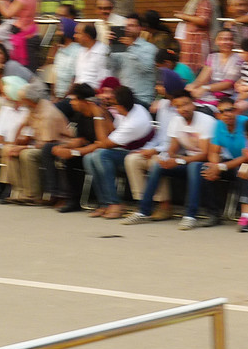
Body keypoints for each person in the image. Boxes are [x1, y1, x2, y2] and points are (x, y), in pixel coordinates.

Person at [123, 90, 216, 230]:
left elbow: (204, 154)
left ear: (193, 104)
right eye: (178, 106)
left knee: (194, 166)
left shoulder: (206, 121)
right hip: (186, 160)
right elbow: (172, 148)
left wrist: (180, 161)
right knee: (157, 165)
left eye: (186, 104)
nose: (183, 109)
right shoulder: (176, 121)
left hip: (207, 162)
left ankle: (190, 216)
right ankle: (143, 211)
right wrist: (167, 158)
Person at [80, 86, 156, 219]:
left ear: (121, 106)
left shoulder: (134, 122)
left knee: (100, 155)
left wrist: (97, 116)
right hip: (125, 150)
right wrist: (104, 113)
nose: (112, 106)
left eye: (114, 104)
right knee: (89, 158)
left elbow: (104, 143)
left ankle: (115, 203)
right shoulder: (131, 110)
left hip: (137, 155)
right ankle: (104, 204)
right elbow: (112, 131)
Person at [123, 70, 183, 220]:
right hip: (160, 148)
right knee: (132, 159)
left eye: (160, 85)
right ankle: (142, 203)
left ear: (170, 86)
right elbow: (160, 135)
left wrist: (155, 151)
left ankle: (165, 206)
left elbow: (177, 141)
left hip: (177, 151)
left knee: (156, 162)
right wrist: (146, 149)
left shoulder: (182, 107)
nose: (157, 88)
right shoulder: (162, 105)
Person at [2, 81, 68, 205]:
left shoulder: (48, 113)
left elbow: (47, 143)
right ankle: (19, 191)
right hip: (40, 144)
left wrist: (22, 147)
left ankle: (33, 194)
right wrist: (14, 144)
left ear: (29, 100)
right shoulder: (33, 108)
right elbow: (22, 125)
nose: (21, 102)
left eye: (23, 100)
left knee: (27, 154)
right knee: (9, 149)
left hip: (55, 146)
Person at [48, 83, 101, 212]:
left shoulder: (99, 116)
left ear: (84, 101)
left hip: (99, 151)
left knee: (73, 157)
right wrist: (63, 147)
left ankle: (101, 200)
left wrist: (73, 152)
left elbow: (101, 143)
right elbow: (81, 139)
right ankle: (71, 199)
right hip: (87, 149)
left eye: (74, 99)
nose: (71, 103)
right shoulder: (80, 115)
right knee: (61, 154)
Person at [203, 98, 248, 229]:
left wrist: (220, 166)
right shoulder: (218, 125)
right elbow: (213, 151)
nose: (227, 114)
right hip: (231, 161)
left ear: (236, 111)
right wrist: (214, 166)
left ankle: (246, 216)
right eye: (222, 112)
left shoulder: (246, 124)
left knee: (243, 171)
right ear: (218, 115)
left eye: (230, 110)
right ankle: (213, 214)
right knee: (205, 169)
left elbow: (247, 157)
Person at [174, 0, 219, 73]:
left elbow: (203, 20)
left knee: (196, 72)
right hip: (191, 41)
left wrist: (184, 17)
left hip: (197, 42)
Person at [108, 13, 158, 106]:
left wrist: (132, 47)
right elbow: (109, 67)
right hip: (124, 99)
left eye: (131, 25)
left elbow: (145, 68)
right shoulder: (120, 48)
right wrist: (109, 47)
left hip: (142, 98)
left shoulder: (150, 48)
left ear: (140, 28)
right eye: (126, 26)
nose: (127, 28)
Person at [186, 29, 241, 109]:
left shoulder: (238, 59)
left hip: (228, 96)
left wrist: (205, 88)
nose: (227, 42)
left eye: (230, 39)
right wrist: (193, 86)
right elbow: (202, 79)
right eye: (223, 39)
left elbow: (228, 84)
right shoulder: (212, 57)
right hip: (210, 93)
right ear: (216, 41)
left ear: (234, 42)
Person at [73, 23, 111, 90]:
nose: (74, 36)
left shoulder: (102, 51)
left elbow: (104, 79)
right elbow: (78, 77)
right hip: (79, 93)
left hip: (93, 95)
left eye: (78, 33)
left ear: (87, 37)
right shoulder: (81, 51)